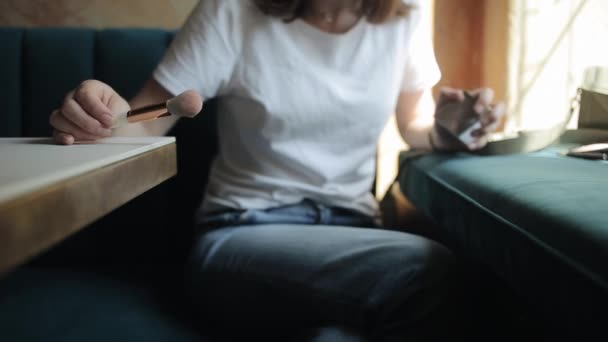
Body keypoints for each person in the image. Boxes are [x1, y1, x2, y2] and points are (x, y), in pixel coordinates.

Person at [49, 0, 505, 340]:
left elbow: (416, 126)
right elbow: (149, 120)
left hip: (352, 236)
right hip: (241, 234)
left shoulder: (405, 17)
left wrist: (452, 129)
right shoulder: (233, 11)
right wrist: (102, 116)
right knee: (426, 269)